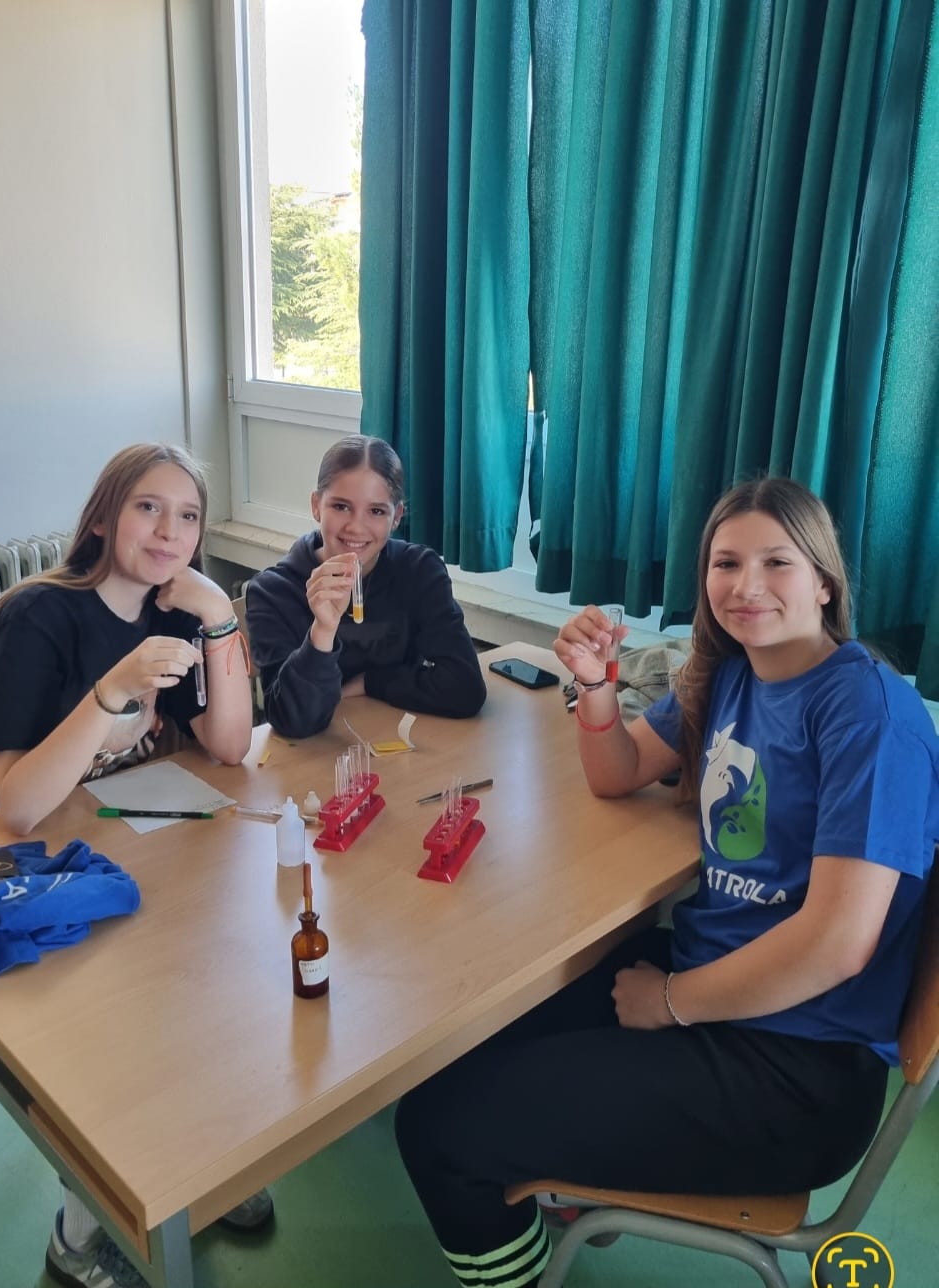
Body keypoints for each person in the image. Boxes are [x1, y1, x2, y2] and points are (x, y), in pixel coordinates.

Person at [394, 477, 939, 1288]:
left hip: (796, 1070)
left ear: (825, 582)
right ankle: (559, 1190)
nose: (746, 585)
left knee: (439, 1128)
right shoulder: (728, 675)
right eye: (726, 563)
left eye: (777, 562)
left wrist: (672, 1002)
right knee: (453, 1042)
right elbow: (617, 773)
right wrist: (594, 685)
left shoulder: (871, 714)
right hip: (714, 984)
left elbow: (837, 945)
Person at [0, 443, 273, 1287]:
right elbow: (16, 803)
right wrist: (111, 692)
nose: (169, 531)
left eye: (188, 516)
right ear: (103, 519)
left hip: (78, 838)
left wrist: (218, 618)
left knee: (198, 968)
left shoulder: (170, 614)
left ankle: (188, 1166)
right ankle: (81, 1234)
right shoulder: (39, 616)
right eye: (148, 508)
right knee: (103, 1021)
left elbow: (232, 745)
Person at [245, 434, 487, 738]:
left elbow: (465, 688)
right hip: (315, 755)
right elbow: (292, 721)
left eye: (376, 511)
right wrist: (322, 632)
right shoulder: (272, 591)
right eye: (341, 506)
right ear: (316, 506)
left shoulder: (419, 571)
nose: (356, 527)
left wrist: (372, 682)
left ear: (396, 517)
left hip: (397, 744)